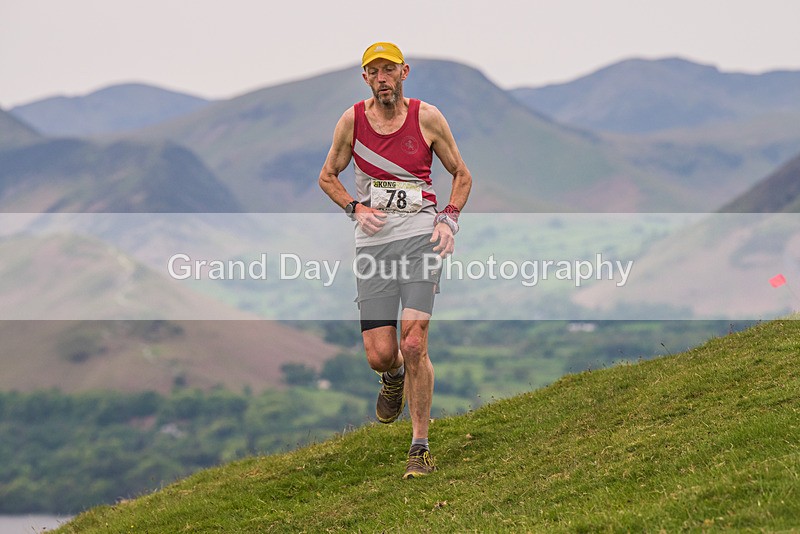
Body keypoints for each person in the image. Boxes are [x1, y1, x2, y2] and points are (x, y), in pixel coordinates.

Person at [319, 42, 472, 479]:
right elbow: (327, 176)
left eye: (389, 70)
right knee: (381, 354)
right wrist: (355, 208)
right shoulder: (352, 121)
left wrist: (448, 219)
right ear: (364, 78)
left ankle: (419, 448)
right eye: (374, 71)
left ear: (404, 72)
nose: (382, 78)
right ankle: (393, 377)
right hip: (374, 247)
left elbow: (461, 174)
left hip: (421, 239)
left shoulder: (427, 117)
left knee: (414, 343)